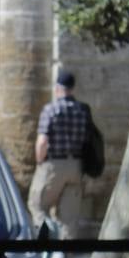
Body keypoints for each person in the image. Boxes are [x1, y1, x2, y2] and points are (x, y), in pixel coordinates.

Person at [27, 69, 92, 239]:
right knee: (69, 218)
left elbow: (42, 142)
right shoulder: (82, 110)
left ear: (57, 88)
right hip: (76, 167)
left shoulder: (51, 109)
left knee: (37, 205)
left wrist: (40, 162)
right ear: (72, 88)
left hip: (53, 165)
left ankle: (47, 245)